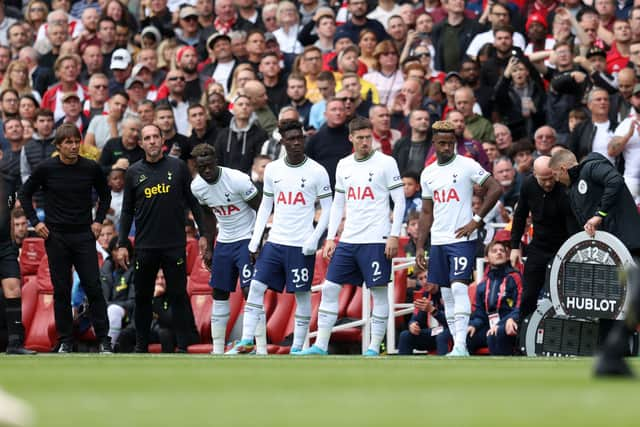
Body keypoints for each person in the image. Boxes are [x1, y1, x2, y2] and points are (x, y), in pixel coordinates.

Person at [298, 117, 405, 356]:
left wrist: (394, 235)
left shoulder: (386, 163)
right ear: (351, 139)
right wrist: (330, 237)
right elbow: (338, 204)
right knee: (330, 288)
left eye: (368, 137)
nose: (365, 142)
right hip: (348, 239)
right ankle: (320, 345)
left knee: (378, 292)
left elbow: (399, 201)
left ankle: (373, 347)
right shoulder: (343, 165)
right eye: (360, 138)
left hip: (377, 238)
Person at [227, 119, 332, 355]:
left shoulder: (317, 171)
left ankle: (297, 348)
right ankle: (246, 341)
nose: (296, 143)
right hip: (275, 242)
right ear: (282, 141)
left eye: (299, 138)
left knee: (302, 295)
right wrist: (255, 240)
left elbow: (329, 208)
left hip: (300, 245)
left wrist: (314, 238)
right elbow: (266, 205)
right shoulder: (274, 169)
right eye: (291, 139)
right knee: (255, 287)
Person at [18, 123, 112, 353]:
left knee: (93, 286)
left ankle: (104, 339)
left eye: (76, 141)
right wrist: (35, 222)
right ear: (58, 146)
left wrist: (98, 220)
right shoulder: (46, 168)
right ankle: (66, 340)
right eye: (67, 142)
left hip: (83, 234)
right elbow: (23, 193)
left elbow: (105, 195)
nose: (73, 146)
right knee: (61, 289)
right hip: (56, 236)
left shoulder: (90, 168)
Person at [549, 148, 640, 376]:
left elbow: (615, 180)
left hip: (628, 244)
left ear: (562, 168)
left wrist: (600, 214)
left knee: (632, 297)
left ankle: (613, 353)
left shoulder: (592, 166)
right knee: (611, 302)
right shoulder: (573, 190)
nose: (556, 181)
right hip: (609, 252)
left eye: (555, 175)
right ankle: (611, 355)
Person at [415, 120, 502, 357]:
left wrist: (476, 220)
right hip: (439, 240)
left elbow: (495, 188)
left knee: (459, 288)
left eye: (451, 143)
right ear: (434, 144)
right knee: (446, 294)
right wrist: (421, 246)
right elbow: (425, 212)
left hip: (461, 239)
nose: (447, 148)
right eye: (442, 143)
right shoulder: (428, 173)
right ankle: (458, 346)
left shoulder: (467, 165)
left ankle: (462, 345)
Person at [116, 124, 205, 353]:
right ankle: (141, 345)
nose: (153, 141)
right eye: (148, 138)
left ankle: (184, 345)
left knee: (178, 295)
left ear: (162, 140)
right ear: (141, 143)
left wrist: (203, 233)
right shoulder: (134, 172)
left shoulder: (178, 167)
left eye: (156, 136)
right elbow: (126, 211)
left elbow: (193, 202)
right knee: (143, 297)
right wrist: (122, 242)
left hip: (174, 244)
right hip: (145, 246)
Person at [189, 143, 262, 355]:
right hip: (224, 241)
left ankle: (261, 347)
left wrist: (257, 241)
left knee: (251, 290)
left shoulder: (237, 179)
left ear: (215, 161)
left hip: (247, 238)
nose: (207, 170)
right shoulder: (197, 187)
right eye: (202, 167)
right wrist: (209, 244)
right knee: (218, 291)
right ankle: (218, 350)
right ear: (196, 167)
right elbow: (208, 215)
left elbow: (261, 207)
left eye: (210, 165)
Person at [510, 156, 577, 325]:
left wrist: (573, 251)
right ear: (534, 175)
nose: (548, 183)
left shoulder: (564, 186)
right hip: (539, 246)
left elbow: (572, 221)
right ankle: (522, 342)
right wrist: (514, 246)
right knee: (528, 295)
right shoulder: (528, 185)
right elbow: (519, 216)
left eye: (551, 178)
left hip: (563, 246)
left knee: (561, 294)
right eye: (543, 180)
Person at [467, 240, 523, 356]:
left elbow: (520, 304)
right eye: (494, 251)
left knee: (494, 335)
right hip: (490, 325)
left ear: (507, 256)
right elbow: (479, 313)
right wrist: (474, 325)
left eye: (502, 251)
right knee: (469, 336)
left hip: (511, 323)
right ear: (486, 258)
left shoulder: (515, 277)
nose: (499, 253)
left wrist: (510, 319)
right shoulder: (483, 283)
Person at [398, 268, 451, 355]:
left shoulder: (447, 291)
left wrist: (433, 310)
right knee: (405, 335)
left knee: (441, 336)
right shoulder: (424, 294)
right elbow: (415, 318)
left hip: (452, 330)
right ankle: (402, 367)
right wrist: (413, 325)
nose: (424, 282)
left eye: (426, 277)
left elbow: (452, 322)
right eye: (421, 279)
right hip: (436, 331)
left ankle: (446, 367)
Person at [100, 236, 134, 351]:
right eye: (115, 250)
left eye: (122, 249)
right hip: (104, 308)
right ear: (111, 252)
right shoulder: (105, 268)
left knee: (113, 310)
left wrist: (111, 305)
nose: (119, 254)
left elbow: (133, 301)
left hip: (127, 311)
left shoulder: (134, 269)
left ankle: (108, 347)